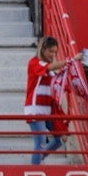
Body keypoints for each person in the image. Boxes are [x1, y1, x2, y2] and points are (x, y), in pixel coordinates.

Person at [25, 36, 72, 164]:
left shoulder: (51, 70)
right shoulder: (34, 62)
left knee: (61, 138)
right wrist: (70, 61)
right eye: (51, 51)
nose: (53, 54)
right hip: (35, 109)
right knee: (40, 143)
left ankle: (38, 158)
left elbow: (58, 83)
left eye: (55, 52)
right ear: (43, 49)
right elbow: (49, 67)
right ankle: (35, 168)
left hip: (49, 110)